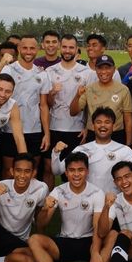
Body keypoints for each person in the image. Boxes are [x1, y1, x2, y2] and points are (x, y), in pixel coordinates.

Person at [28, 152, 106, 262]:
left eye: (80, 170)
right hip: (64, 242)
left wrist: (95, 253)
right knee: (34, 239)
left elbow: (97, 228)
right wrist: (46, 209)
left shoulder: (97, 192)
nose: (76, 174)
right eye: (72, 170)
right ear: (66, 172)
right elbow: (41, 226)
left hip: (88, 242)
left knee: (110, 237)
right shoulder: (58, 191)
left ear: (87, 172)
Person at [0, 34, 51, 179]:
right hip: (9, 130)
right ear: (19, 49)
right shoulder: (9, 70)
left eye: (32, 48)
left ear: (38, 49)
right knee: (8, 171)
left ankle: (30, 201)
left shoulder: (42, 74)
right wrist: (2, 63)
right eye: (25, 48)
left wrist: (46, 133)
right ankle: (3, 201)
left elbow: (44, 105)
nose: (28, 51)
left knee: (31, 171)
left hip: (34, 130)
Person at [52, 107, 132, 194]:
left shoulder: (123, 150)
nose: (103, 125)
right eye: (98, 122)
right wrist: (56, 153)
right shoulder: (82, 149)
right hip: (88, 203)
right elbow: (57, 171)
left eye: (107, 122)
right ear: (93, 126)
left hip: (113, 202)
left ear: (113, 126)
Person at [44, 34, 97, 188]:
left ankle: (74, 201)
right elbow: (47, 103)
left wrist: (87, 127)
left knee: (75, 169)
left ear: (76, 49)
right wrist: (52, 93)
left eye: (71, 47)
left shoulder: (87, 73)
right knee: (49, 168)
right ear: (61, 48)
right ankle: (50, 201)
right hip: (54, 127)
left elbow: (90, 104)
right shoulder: (50, 71)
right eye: (65, 47)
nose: (67, 50)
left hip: (76, 129)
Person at [71, 55, 132, 145]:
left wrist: (128, 144)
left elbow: (128, 119)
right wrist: (77, 96)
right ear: (96, 69)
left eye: (107, 68)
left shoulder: (123, 90)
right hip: (93, 135)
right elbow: (73, 112)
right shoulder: (88, 89)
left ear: (114, 69)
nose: (104, 72)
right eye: (100, 68)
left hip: (116, 135)